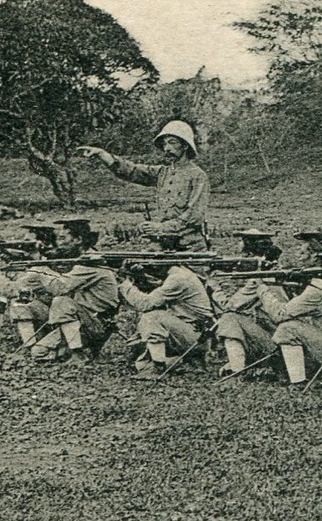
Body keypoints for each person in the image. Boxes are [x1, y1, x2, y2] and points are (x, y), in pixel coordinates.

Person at [77, 120, 212, 250]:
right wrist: (102, 154)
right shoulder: (162, 172)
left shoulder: (198, 176)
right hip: (165, 243)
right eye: (165, 144)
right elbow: (132, 171)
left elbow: (195, 215)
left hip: (190, 246)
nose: (167, 148)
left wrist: (161, 227)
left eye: (172, 143)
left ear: (185, 145)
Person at [261, 230, 322, 388]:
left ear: (315, 255)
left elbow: (279, 314)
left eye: (302, 249)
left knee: (287, 328)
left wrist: (264, 288)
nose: (297, 252)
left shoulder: (317, 289)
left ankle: (298, 381)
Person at [26, 219, 120, 365]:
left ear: (78, 240)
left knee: (61, 301)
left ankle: (78, 354)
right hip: (82, 320)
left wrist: (40, 269)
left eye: (63, 238)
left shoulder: (89, 263)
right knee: (39, 352)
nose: (59, 243)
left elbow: (60, 289)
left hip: (97, 323)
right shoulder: (84, 259)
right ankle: (74, 349)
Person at [119, 248, 213, 380]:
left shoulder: (177, 279)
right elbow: (157, 290)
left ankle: (159, 367)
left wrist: (124, 283)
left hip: (195, 336)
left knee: (151, 317)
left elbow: (145, 304)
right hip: (194, 333)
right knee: (139, 352)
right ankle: (186, 361)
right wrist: (140, 279)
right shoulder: (181, 274)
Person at [213, 230, 286, 378]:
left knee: (229, 318)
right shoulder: (275, 271)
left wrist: (214, 288)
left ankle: (236, 369)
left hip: (276, 341)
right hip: (279, 336)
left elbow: (230, 305)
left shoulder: (259, 280)